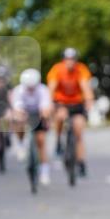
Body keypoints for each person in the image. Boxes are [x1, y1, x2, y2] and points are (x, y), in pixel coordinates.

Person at [46, 48, 94, 177]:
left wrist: (89, 100)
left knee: (78, 131)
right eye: (68, 59)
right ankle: (58, 140)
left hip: (77, 104)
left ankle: (81, 162)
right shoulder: (57, 69)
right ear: (63, 60)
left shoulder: (81, 69)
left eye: (73, 59)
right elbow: (52, 87)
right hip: (61, 102)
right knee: (60, 116)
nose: (70, 62)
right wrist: (49, 102)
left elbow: (85, 86)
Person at [11, 68, 54, 185]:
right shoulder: (18, 91)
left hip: (38, 114)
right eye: (28, 87)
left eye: (32, 87)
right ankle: (20, 144)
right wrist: (20, 114)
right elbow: (17, 107)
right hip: (25, 113)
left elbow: (45, 107)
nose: (30, 89)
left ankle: (44, 171)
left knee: (41, 141)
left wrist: (45, 116)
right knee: (17, 119)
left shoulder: (43, 90)